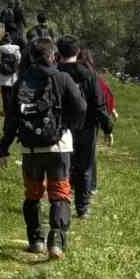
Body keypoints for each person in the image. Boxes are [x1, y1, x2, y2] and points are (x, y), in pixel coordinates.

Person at [0, 37, 86, 259]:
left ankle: (36, 241)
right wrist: (67, 126)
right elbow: (81, 108)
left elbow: (12, 119)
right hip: (58, 147)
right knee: (59, 194)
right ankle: (56, 243)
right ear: (53, 56)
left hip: (30, 149)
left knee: (33, 195)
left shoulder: (21, 81)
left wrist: (3, 147)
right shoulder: (63, 78)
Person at [56, 37, 113, 218]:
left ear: (58, 52)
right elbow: (99, 104)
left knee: (63, 167)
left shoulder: (54, 73)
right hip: (86, 127)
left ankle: (61, 203)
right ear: (77, 51)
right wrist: (107, 128)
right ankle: (83, 207)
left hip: (61, 127)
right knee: (85, 167)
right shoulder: (88, 74)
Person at [81, 49, 117, 195]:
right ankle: (90, 186)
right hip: (90, 122)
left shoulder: (65, 75)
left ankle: (74, 185)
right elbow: (103, 98)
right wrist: (107, 127)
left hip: (72, 122)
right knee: (89, 157)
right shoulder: (94, 77)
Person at [0, 36, 23, 112]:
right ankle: (13, 109)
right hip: (13, 75)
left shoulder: (0, 50)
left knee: (5, 93)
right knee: (12, 93)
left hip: (3, 74)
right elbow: (19, 60)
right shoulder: (16, 50)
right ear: (10, 41)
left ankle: (6, 109)